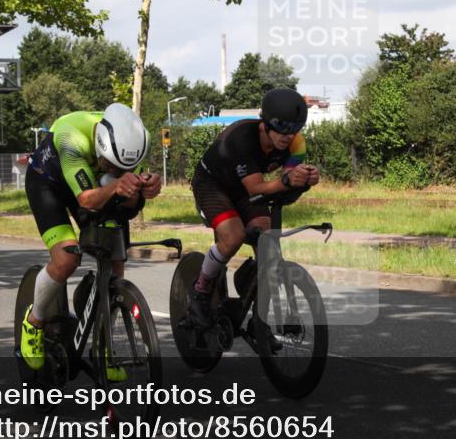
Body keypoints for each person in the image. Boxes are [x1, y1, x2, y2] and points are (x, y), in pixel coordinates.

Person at [20, 103, 162, 378]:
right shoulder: (71, 137)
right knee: (66, 258)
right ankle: (34, 321)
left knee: (116, 260)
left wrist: (146, 189)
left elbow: (127, 198)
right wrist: (115, 185)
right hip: (48, 183)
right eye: (112, 165)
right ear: (100, 146)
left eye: (125, 167)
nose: (119, 170)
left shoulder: (133, 139)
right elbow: (86, 200)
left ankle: (105, 346)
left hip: (95, 184)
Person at [188, 88, 320, 329]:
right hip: (213, 185)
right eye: (280, 128)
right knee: (234, 235)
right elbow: (257, 188)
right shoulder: (241, 139)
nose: (287, 136)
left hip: (244, 187)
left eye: (293, 129)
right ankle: (201, 289)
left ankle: (258, 317)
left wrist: (304, 180)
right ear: (265, 124)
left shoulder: (295, 144)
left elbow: (286, 181)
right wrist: (287, 182)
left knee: (266, 237)